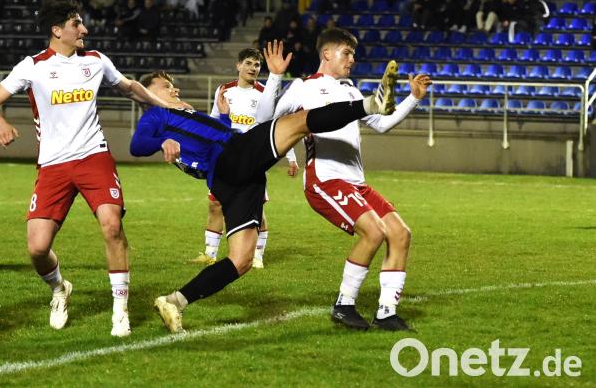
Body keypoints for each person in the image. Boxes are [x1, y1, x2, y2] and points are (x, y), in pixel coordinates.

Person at [131, 40, 399, 333]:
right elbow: (136, 145)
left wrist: (221, 117)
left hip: (233, 179)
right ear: (147, 95)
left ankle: (175, 301)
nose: (174, 89)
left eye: (173, 86)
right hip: (233, 157)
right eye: (165, 87)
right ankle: (372, 103)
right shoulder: (156, 116)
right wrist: (161, 141)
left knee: (241, 260)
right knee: (299, 121)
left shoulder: (185, 112)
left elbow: (205, 142)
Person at [0, 0, 181, 338]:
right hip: (53, 166)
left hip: (93, 157)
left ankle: (120, 311)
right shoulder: (33, 66)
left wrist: (167, 106)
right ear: (58, 30)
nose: (84, 29)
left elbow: (130, 87)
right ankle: (60, 289)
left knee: (112, 226)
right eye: (77, 24)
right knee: (37, 248)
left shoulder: (96, 61)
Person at [273, 28, 431, 331]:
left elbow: (382, 125)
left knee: (400, 233)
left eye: (353, 54)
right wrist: (274, 82)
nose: (352, 59)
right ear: (326, 54)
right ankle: (344, 304)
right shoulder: (302, 88)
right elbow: (271, 120)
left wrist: (412, 98)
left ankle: (386, 312)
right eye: (346, 52)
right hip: (325, 180)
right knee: (374, 232)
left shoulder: (351, 91)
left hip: (356, 182)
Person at [190, 48, 298, 269]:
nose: (253, 68)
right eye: (249, 63)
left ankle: (257, 255)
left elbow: (277, 126)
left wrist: (291, 157)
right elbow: (213, 119)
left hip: (252, 157)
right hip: (224, 156)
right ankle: (210, 254)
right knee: (215, 204)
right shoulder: (224, 90)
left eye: (257, 65)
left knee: (256, 207)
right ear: (238, 66)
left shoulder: (264, 94)